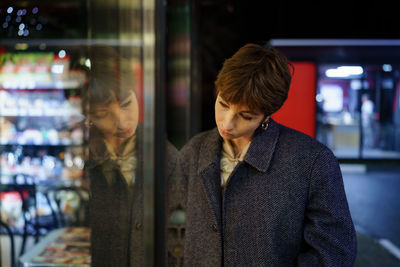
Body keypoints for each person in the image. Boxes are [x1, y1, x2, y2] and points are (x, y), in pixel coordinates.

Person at [178, 43, 357, 266]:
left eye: (246, 115)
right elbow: (173, 227)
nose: (227, 122)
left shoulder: (311, 162)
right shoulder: (194, 151)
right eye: (223, 104)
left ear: (267, 114)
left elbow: (334, 251)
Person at [83, 45, 180, 266]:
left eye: (127, 104)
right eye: (102, 114)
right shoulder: (81, 157)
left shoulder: (166, 156)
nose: (122, 122)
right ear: (88, 115)